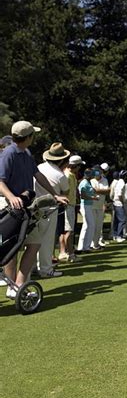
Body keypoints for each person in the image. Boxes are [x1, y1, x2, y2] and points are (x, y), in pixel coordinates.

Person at [0, 121, 68, 297]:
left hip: (27, 205)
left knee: (34, 243)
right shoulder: (9, 154)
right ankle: (12, 287)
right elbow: (0, 181)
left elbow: (38, 175)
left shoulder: (27, 153)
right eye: (33, 135)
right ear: (28, 137)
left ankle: (19, 285)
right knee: (11, 248)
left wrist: (54, 194)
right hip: (11, 207)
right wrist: (11, 197)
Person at [34, 142, 70, 277]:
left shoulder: (39, 167)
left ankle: (32, 267)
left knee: (33, 239)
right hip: (49, 208)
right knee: (47, 240)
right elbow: (66, 191)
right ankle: (45, 269)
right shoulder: (60, 174)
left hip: (34, 206)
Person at [59, 155, 84, 262]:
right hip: (67, 205)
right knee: (69, 231)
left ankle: (63, 252)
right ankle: (70, 254)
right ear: (75, 166)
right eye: (79, 166)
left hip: (70, 205)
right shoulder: (68, 176)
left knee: (65, 231)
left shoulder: (71, 175)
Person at [77, 168, 98, 252]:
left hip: (89, 205)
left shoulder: (88, 182)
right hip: (85, 206)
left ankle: (85, 246)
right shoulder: (84, 183)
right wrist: (93, 197)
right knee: (89, 225)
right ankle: (84, 246)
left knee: (89, 225)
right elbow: (83, 196)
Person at [91, 165, 110, 249]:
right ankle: (91, 244)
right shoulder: (90, 180)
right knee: (92, 225)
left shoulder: (104, 180)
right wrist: (101, 191)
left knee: (99, 226)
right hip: (91, 206)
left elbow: (108, 191)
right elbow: (91, 192)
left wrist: (97, 191)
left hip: (100, 206)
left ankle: (96, 244)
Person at [112, 170, 127, 243]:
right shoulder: (122, 183)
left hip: (115, 202)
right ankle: (119, 236)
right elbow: (119, 194)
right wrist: (122, 202)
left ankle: (115, 235)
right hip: (119, 203)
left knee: (116, 220)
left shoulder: (119, 182)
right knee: (122, 220)